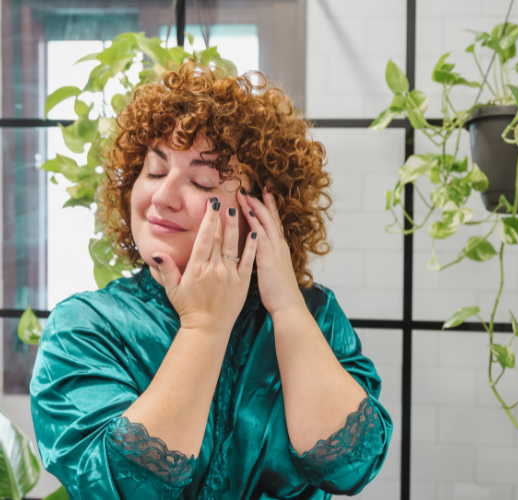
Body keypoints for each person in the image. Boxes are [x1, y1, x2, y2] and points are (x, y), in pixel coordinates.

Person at [29, 61, 392, 500]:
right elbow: (122, 487)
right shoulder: (83, 328)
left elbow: (350, 466)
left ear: (260, 210)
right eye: (155, 172)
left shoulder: (314, 315)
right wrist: (204, 326)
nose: (163, 198)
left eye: (202, 182)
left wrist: (289, 309)